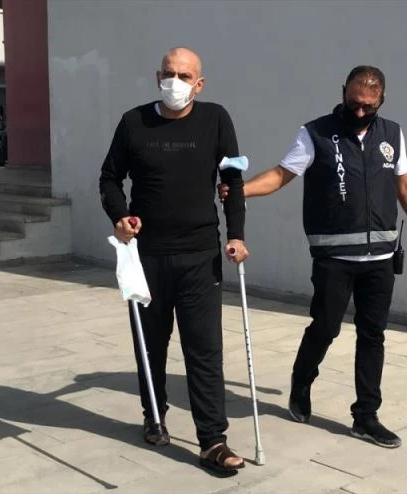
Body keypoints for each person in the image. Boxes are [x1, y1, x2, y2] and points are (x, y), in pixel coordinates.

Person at [220, 66, 407, 449]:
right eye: (353, 103)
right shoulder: (316, 133)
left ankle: (366, 417)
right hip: (334, 257)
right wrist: (241, 190)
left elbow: (404, 185)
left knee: (373, 334)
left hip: (381, 257)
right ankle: (302, 380)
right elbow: (282, 174)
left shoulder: (392, 134)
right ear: (343, 93)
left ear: (381, 101)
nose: (359, 112)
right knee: (326, 327)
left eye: (368, 106)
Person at [99, 47, 249, 474]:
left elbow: (232, 179)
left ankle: (212, 440)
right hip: (146, 255)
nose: (175, 82)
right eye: (169, 73)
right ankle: (154, 415)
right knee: (151, 344)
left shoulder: (215, 119)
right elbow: (109, 177)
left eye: (184, 76)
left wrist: (236, 234)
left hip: (200, 254)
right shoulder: (134, 122)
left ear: (199, 84)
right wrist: (120, 216)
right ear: (157, 77)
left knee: (204, 348)